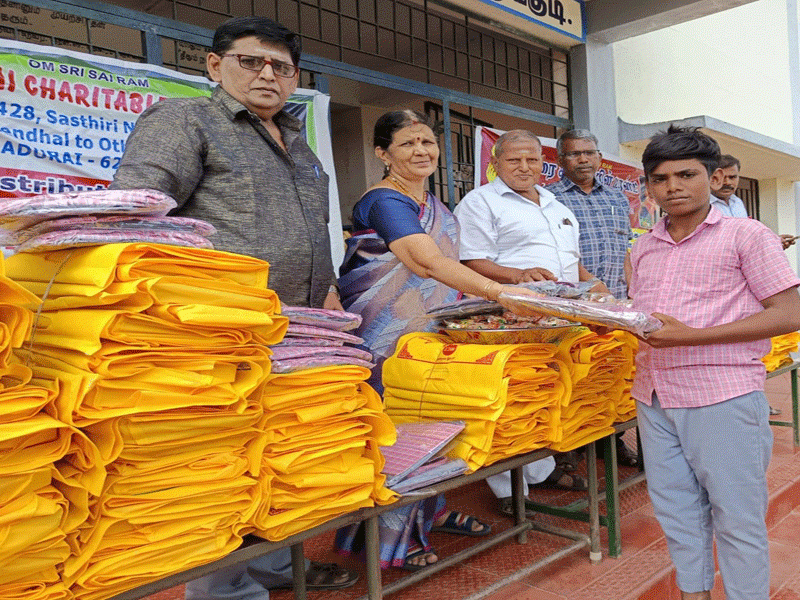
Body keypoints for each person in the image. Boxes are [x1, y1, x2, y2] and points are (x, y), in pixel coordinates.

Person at [110, 15, 357, 598]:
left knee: (278, 451)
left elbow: (313, 229)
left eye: (281, 67)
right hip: (219, 331)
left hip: (298, 330)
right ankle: (223, 590)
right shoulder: (186, 119)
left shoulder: (298, 141)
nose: (268, 74)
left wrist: (326, 291)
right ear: (215, 65)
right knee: (222, 459)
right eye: (251, 61)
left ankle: (269, 565)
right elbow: (139, 212)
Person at [335, 110, 536, 570]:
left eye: (427, 141)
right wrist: (500, 293)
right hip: (387, 340)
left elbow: (449, 267)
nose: (421, 151)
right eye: (407, 143)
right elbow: (426, 262)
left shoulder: (432, 204)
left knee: (437, 418)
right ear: (383, 153)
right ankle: (389, 538)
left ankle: (431, 512)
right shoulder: (385, 202)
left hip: (431, 333)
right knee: (398, 427)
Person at [629, 125, 800, 600]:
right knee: (676, 511)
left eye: (686, 175)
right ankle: (694, 593)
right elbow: (649, 317)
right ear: (649, 186)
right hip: (654, 395)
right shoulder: (644, 247)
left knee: (737, 517)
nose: (672, 187)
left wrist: (690, 337)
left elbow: (790, 313)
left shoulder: (747, 236)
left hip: (721, 395)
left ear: (714, 177)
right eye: (660, 179)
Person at [454, 129, 607, 516]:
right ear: (495, 164)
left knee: (546, 393)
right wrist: (516, 276)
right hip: (510, 318)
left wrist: (594, 284)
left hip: (561, 319)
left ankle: (540, 470)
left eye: (532, 160)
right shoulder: (480, 202)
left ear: (543, 163)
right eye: (514, 160)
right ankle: (509, 488)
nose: (524, 167)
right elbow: (469, 260)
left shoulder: (556, 205)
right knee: (510, 398)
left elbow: (569, 261)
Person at [547, 129, 640, 468]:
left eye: (589, 152)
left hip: (614, 303)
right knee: (571, 375)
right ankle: (565, 451)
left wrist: (632, 291)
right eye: (574, 154)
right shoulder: (548, 199)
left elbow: (624, 248)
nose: (583, 159)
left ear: (599, 157)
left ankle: (610, 441)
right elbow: (556, 253)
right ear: (561, 160)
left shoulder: (617, 198)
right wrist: (591, 286)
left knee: (610, 373)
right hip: (573, 305)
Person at [710, 154, 792, 417]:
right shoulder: (704, 206)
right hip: (719, 289)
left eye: (733, 177)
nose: (728, 182)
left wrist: (772, 241)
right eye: (723, 177)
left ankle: (753, 400)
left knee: (751, 349)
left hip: (745, 287)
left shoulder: (736, 203)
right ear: (712, 177)